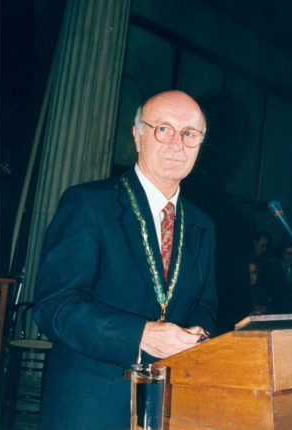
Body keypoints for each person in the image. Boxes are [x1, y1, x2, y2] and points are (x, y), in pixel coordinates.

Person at [34, 90, 218, 430]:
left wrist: (198, 333)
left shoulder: (202, 224)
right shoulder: (89, 204)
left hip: (171, 404)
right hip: (89, 406)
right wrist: (139, 336)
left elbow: (206, 305)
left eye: (190, 134)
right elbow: (53, 307)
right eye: (164, 129)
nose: (178, 143)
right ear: (137, 135)